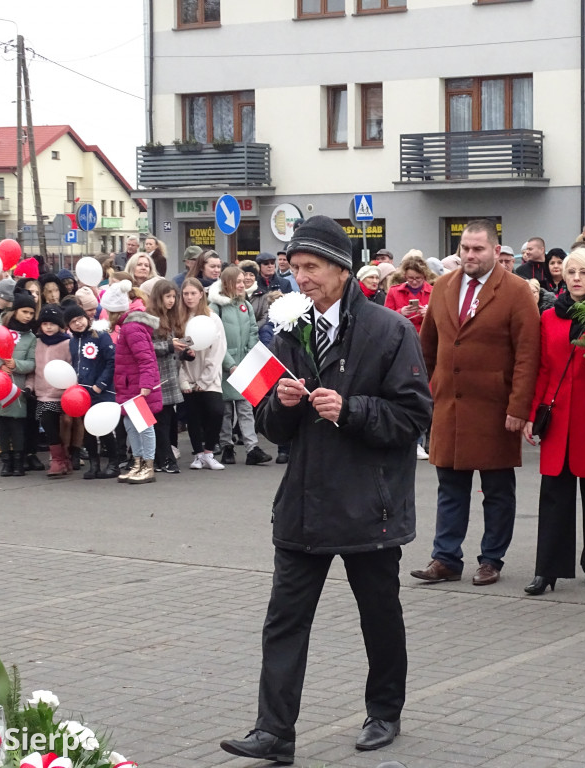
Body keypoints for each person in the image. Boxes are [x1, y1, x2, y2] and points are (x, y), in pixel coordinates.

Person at [219, 216, 432, 761]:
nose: (301, 279)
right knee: (284, 621)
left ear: (342, 270)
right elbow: (267, 424)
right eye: (294, 269)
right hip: (304, 505)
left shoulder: (390, 330)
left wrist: (353, 409)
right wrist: (281, 408)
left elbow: (413, 417)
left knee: (379, 616)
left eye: (311, 268)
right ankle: (274, 732)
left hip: (370, 503)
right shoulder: (289, 329)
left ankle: (384, 712)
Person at [411, 219, 541, 587]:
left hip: (495, 409)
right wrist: (426, 393)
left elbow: (527, 356)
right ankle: (446, 558)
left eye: (478, 249)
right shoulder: (442, 288)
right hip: (449, 407)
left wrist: (519, 408)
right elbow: (428, 348)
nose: (469, 255)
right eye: (465, 248)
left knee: (497, 490)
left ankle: (492, 559)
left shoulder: (515, 292)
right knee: (449, 487)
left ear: (496, 251)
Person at [521, 249, 585, 594]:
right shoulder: (549, 317)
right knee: (554, 498)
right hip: (557, 418)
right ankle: (546, 570)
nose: (576, 277)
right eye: (570, 272)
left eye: (584, 272)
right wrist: (532, 414)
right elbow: (542, 369)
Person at [207, 265, 272, 466]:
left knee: (245, 407)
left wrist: (252, 356)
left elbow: (253, 330)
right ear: (227, 284)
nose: (242, 285)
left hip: (244, 362)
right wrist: (229, 363)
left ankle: (252, 447)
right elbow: (215, 338)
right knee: (226, 409)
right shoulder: (216, 307)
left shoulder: (246, 305)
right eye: (238, 282)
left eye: (243, 281)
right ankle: (227, 446)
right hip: (225, 364)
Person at [103, 279, 162, 485]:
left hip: (136, 386)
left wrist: (146, 384)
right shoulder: (128, 327)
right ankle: (138, 462)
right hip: (129, 385)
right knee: (130, 424)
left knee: (143, 426)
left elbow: (146, 358)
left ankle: (148, 465)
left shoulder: (131, 328)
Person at [0, 290, 38, 477]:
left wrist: (16, 364)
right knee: (1, 424)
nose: (28, 316)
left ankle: (18, 461)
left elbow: (32, 363)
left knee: (17, 424)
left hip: (16, 387)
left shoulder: (31, 337)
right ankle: (6, 461)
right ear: (15, 310)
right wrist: (0, 365)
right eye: (24, 311)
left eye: (31, 313)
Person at [179, 277, 228, 470]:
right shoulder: (180, 320)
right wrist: (183, 380)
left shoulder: (212, 318)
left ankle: (209, 452)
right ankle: (198, 454)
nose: (189, 298)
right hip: (188, 376)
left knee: (216, 411)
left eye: (193, 293)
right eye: (186, 294)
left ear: (201, 294)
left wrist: (206, 378)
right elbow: (179, 352)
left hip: (209, 376)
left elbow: (218, 350)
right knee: (194, 416)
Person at [65, 303, 118, 479]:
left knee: (103, 428)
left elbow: (112, 361)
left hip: (101, 390)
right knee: (87, 428)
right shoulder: (72, 342)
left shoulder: (101, 336)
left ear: (87, 318)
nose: (78, 324)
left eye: (79, 319)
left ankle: (113, 463)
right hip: (82, 393)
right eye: (73, 322)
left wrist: (100, 384)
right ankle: (93, 464)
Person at [145, 279, 186, 474]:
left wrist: (184, 352)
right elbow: (145, 347)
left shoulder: (170, 317)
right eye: (167, 297)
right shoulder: (150, 319)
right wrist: (170, 346)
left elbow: (172, 346)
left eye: (173, 297)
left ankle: (162, 458)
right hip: (156, 377)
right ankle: (165, 458)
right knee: (160, 420)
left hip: (169, 376)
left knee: (166, 419)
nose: (171, 301)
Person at [31, 304, 74, 478]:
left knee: (64, 426)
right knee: (48, 424)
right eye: (45, 323)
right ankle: (57, 459)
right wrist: (30, 386)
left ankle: (66, 457)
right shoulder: (37, 342)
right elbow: (34, 368)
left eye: (52, 324)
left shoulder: (67, 343)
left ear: (60, 325)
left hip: (63, 393)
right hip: (43, 393)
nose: (48, 327)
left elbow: (72, 366)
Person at [384, 252, 434, 334]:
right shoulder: (394, 291)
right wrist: (401, 312)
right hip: (402, 336)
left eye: (418, 278)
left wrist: (429, 315)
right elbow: (386, 318)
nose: (414, 282)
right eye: (410, 278)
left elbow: (443, 319)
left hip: (426, 337)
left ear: (425, 276)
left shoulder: (434, 292)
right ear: (405, 276)